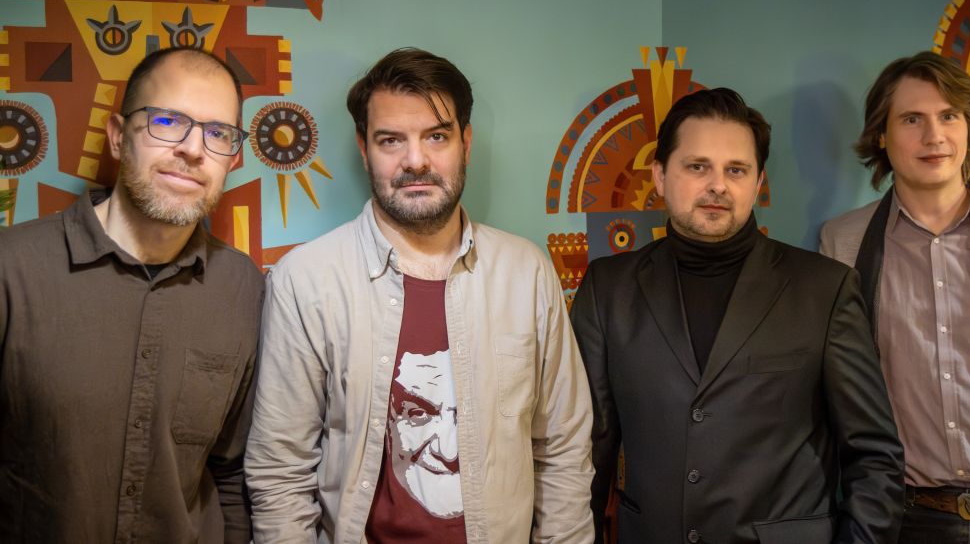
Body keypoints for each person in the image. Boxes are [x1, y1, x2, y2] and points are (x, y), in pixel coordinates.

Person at [245, 47, 594, 543]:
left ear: (466, 143)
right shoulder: (306, 280)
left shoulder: (527, 273)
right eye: (391, 140)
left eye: (436, 136)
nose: (416, 161)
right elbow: (280, 471)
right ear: (363, 148)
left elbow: (562, 450)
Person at [572, 87, 904, 543]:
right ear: (660, 176)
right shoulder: (608, 288)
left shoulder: (825, 290)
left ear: (758, 182)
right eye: (697, 166)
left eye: (736, 170)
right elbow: (585, 452)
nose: (718, 185)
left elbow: (875, 457)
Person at [0, 46, 264, 543]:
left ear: (233, 157)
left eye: (217, 133)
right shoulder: (11, 269)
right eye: (167, 121)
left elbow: (231, 473)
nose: (193, 149)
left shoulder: (243, 288)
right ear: (119, 137)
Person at [821, 51, 970, 542]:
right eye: (912, 119)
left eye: (949, 116)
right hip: (907, 520)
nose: (934, 136)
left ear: (969, 128)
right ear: (881, 134)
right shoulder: (842, 243)